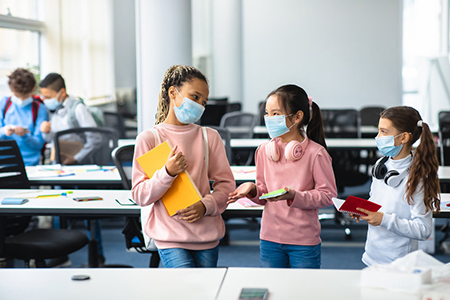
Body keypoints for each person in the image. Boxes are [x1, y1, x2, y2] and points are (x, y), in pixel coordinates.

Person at [132, 65, 235, 268]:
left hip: (206, 235)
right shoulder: (149, 138)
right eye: (194, 97)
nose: (199, 105)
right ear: (173, 92)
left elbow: (227, 186)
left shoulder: (209, 137)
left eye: (203, 102)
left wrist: (205, 206)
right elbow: (139, 195)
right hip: (170, 236)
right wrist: (167, 173)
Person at [228, 84, 337, 268]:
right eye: (267, 114)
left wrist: (295, 196)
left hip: (303, 241)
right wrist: (252, 189)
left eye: (276, 114)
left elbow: (328, 195)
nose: (269, 119)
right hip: (270, 238)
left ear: (297, 116)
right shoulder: (264, 151)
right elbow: (263, 194)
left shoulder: (316, 153)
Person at [350, 106, 440, 266]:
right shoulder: (381, 165)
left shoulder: (417, 176)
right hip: (372, 256)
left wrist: (384, 219)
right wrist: (363, 210)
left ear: (404, 137)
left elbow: (423, 229)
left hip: (400, 264)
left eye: (384, 132)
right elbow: (376, 201)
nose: (378, 137)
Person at [39, 73, 100, 165]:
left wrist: (76, 158)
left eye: (48, 97)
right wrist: (46, 132)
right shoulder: (52, 110)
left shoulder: (78, 108)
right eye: (43, 97)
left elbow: (95, 139)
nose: (45, 100)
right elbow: (51, 139)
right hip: (59, 163)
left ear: (62, 92)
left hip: (80, 163)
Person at [0, 68, 49, 166]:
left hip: (30, 165)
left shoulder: (40, 109)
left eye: (25, 96)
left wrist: (25, 136)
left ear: (33, 89)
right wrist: (3, 131)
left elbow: (39, 144)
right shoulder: (4, 104)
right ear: (12, 91)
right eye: (17, 96)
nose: (21, 100)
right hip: (4, 164)